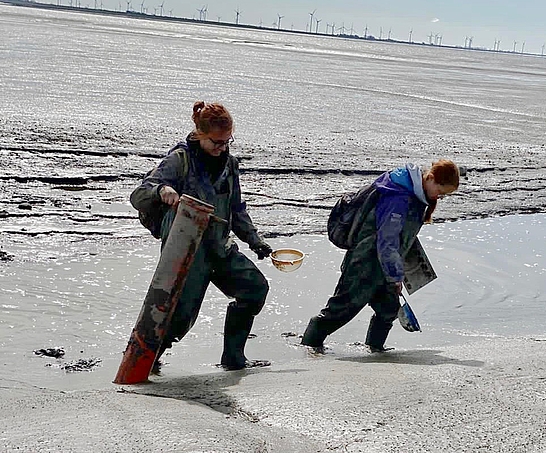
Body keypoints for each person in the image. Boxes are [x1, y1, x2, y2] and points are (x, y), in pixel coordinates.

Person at [130, 101, 273, 371]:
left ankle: (234, 358)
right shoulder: (179, 160)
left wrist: (256, 241)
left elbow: (236, 209)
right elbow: (139, 194)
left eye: (227, 142)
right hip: (187, 251)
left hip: (220, 246)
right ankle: (146, 361)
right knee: (179, 316)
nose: (222, 148)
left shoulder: (230, 164)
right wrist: (161, 190)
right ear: (199, 134)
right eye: (216, 142)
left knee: (254, 288)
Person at [301, 159, 460, 352]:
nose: (439, 197)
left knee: (389, 309)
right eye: (441, 192)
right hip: (366, 260)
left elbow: (401, 237)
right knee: (341, 309)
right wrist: (395, 276)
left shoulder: (412, 192)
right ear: (431, 178)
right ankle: (308, 347)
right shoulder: (398, 197)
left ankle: (375, 350)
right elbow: (388, 240)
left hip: (384, 263)